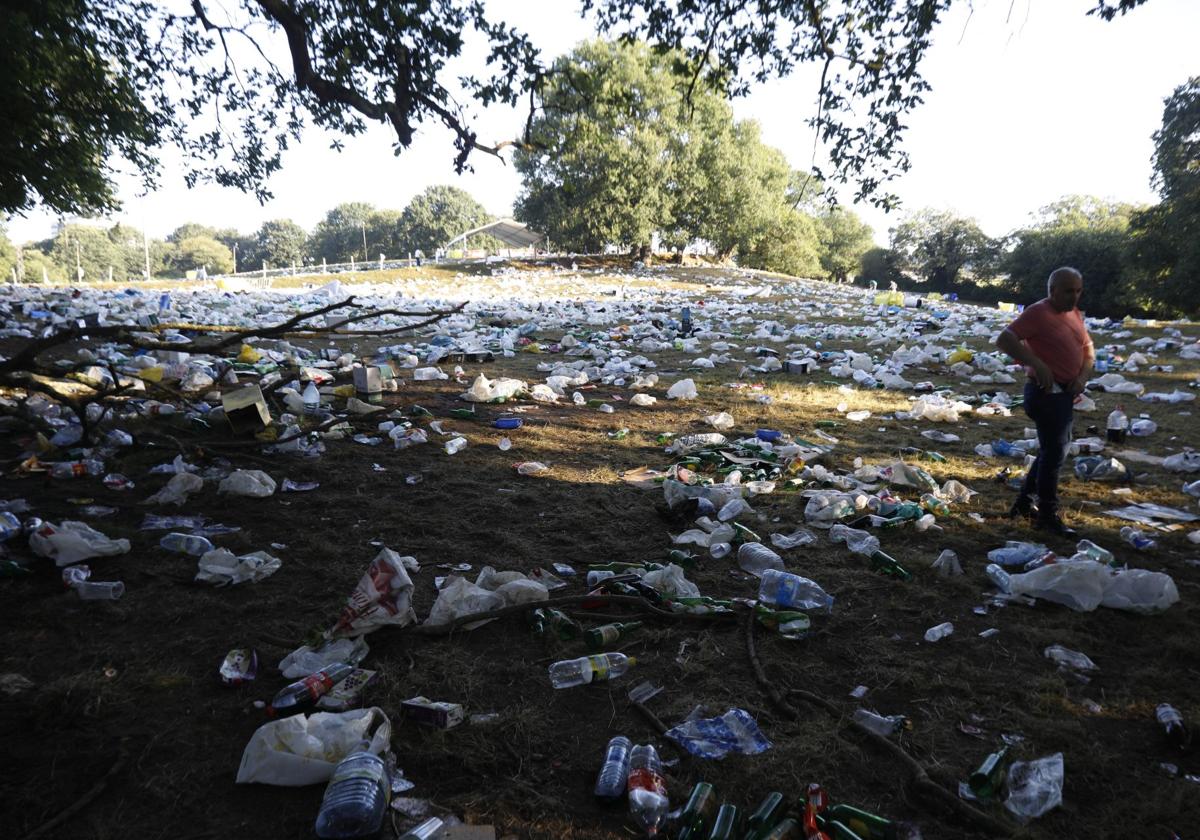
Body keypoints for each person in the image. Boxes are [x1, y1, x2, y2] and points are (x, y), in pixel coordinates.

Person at [995, 267, 1094, 537]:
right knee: (1056, 453)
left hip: (1065, 393)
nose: (1074, 297)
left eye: (1078, 291)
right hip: (1044, 394)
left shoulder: (1074, 314)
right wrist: (1036, 362)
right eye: (1067, 291)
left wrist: (1082, 378)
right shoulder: (1039, 312)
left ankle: (1024, 503)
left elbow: (1088, 351)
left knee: (1051, 450)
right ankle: (1047, 514)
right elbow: (1004, 339)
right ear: (1052, 291)